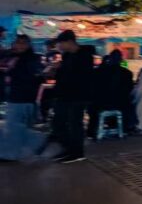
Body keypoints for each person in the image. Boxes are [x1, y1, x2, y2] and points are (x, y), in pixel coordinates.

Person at [47, 30, 95, 163]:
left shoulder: (85, 56)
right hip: (64, 95)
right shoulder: (67, 56)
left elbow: (81, 77)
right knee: (59, 123)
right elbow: (64, 75)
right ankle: (68, 149)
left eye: (61, 43)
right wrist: (56, 70)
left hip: (78, 95)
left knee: (75, 124)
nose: (59, 47)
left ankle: (77, 152)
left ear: (69, 42)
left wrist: (62, 70)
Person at [0, 34, 46, 161]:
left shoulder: (32, 59)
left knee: (14, 127)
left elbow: (34, 78)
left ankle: (11, 154)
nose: (19, 45)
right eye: (17, 43)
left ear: (28, 45)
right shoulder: (13, 57)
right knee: (16, 127)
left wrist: (11, 71)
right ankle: (39, 141)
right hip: (15, 96)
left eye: (22, 43)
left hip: (23, 98)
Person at [88, 49, 135, 138]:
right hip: (120, 105)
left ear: (110, 59)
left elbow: (93, 89)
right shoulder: (127, 73)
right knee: (130, 104)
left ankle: (92, 131)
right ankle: (125, 128)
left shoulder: (98, 72)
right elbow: (129, 90)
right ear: (121, 60)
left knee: (92, 106)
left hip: (100, 104)